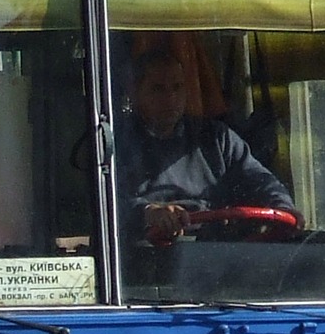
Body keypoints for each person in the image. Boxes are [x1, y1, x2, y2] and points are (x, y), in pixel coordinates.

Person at [118, 45, 294, 243]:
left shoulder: (217, 139)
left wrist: (283, 206)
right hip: (145, 256)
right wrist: (148, 213)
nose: (171, 98)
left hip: (215, 251)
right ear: (135, 93)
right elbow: (107, 205)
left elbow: (259, 179)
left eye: (177, 87)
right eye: (158, 89)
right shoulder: (118, 144)